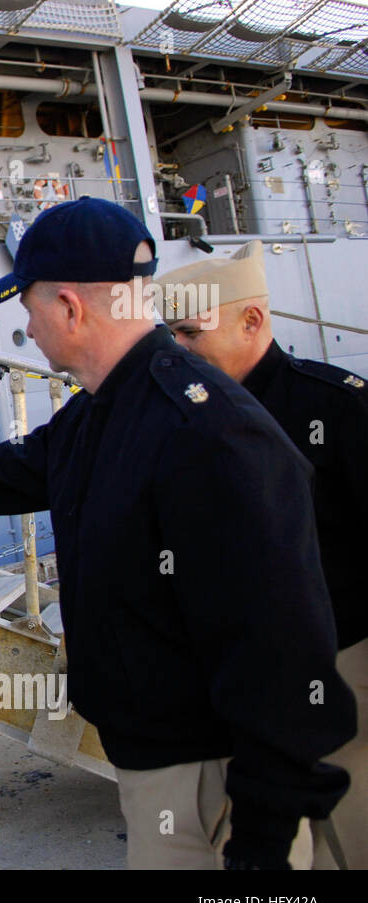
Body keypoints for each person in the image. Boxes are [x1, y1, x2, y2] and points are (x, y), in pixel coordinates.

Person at [0, 198, 356, 870]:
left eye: (27, 307)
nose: (23, 325)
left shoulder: (210, 434)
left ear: (71, 310)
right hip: (164, 770)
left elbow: (282, 653)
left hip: (210, 790)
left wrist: (263, 845)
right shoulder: (104, 414)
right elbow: (0, 473)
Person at [157, 241, 368, 868]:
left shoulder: (336, 405)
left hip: (342, 661)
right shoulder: (179, 414)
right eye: (169, 335)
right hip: (234, 675)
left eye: (191, 332)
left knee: (353, 836)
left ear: (252, 321)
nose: (178, 350)